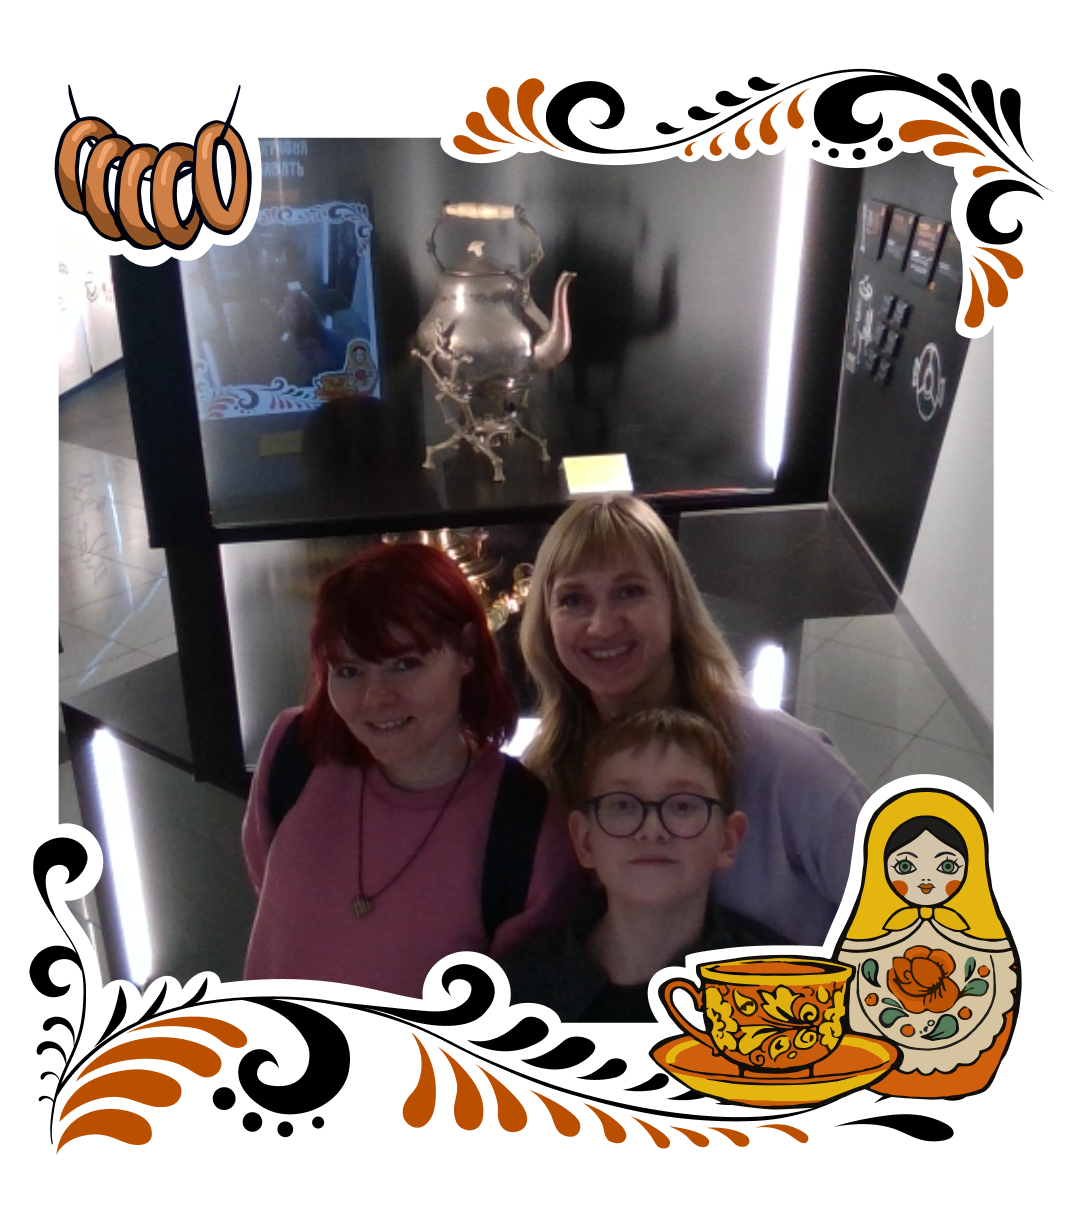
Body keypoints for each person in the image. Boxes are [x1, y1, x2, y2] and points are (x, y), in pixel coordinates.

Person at [520, 493, 867, 946]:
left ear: (675, 604)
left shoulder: (792, 765)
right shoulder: (544, 777)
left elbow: (920, 929)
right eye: (573, 600)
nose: (602, 625)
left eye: (629, 591)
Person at [242, 542, 583, 998]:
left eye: (405, 664)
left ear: (466, 650)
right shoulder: (294, 751)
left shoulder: (531, 831)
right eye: (349, 671)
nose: (375, 699)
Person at [501, 708, 785, 1022]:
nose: (652, 829)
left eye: (682, 806)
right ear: (585, 841)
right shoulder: (512, 997)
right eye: (623, 805)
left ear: (727, 841)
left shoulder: (785, 990)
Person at [836, 788, 1019, 1098]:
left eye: (946, 867)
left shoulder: (989, 944)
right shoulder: (865, 939)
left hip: (970, 1072)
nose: (925, 881)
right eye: (905, 867)